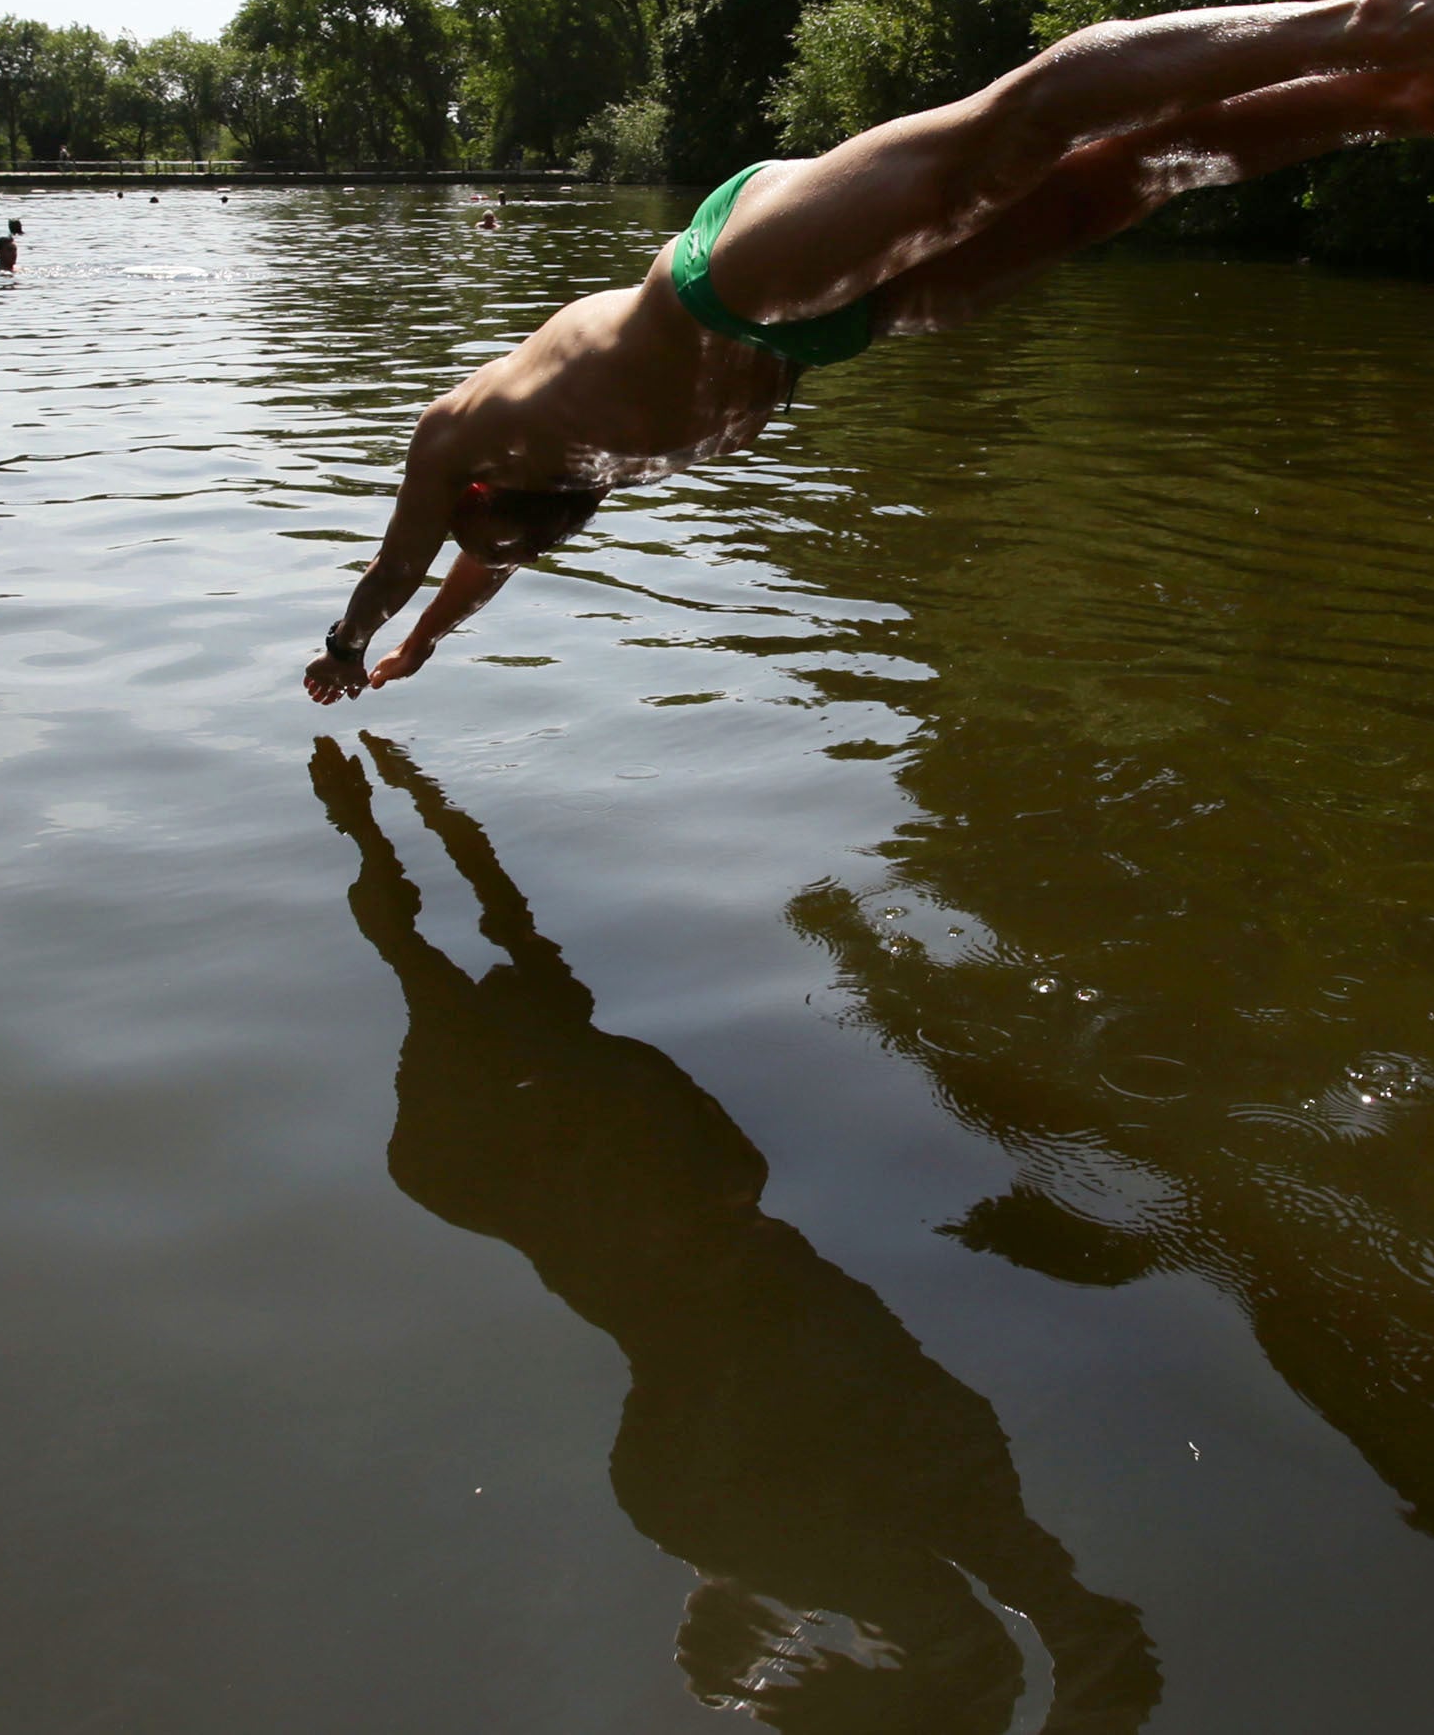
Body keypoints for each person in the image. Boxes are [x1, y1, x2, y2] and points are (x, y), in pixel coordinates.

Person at [305, 0, 1434, 703]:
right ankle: (1406, 98)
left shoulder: (460, 434)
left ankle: (1381, 13)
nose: (486, 551)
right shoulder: (541, 491)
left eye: (478, 538)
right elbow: (470, 578)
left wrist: (350, 641)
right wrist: (421, 653)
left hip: (732, 275)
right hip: (826, 332)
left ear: (477, 491)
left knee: (1021, 131)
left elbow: (404, 560)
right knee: (1108, 192)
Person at [315, 737, 1160, 1731]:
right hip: (777, 1340)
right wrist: (398, 814)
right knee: (962, 1525)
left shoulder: (494, 1113)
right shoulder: (560, 1070)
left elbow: (430, 934)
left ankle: (938, 1635)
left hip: (742, 1357)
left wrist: (368, 819)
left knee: (867, 1515)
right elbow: (479, 922)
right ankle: (953, 1637)